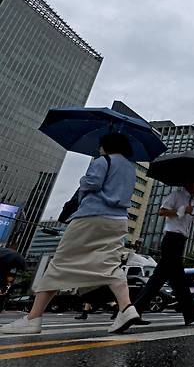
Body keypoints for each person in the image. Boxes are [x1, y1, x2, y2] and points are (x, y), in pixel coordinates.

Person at [2, 133, 142, 334]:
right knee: (110, 263)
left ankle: (33, 318)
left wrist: (84, 178)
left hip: (91, 217)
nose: (98, 148)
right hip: (118, 220)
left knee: (60, 263)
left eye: (100, 145)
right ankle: (127, 308)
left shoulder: (103, 161)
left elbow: (91, 184)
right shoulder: (130, 168)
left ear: (106, 145)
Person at [133, 183, 194, 326]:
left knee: (174, 279)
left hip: (181, 241)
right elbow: (162, 211)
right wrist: (182, 210)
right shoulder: (176, 195)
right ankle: (134, 312)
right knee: (168, 279)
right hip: (171, 238)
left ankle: (135, 311)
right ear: (189, 183)